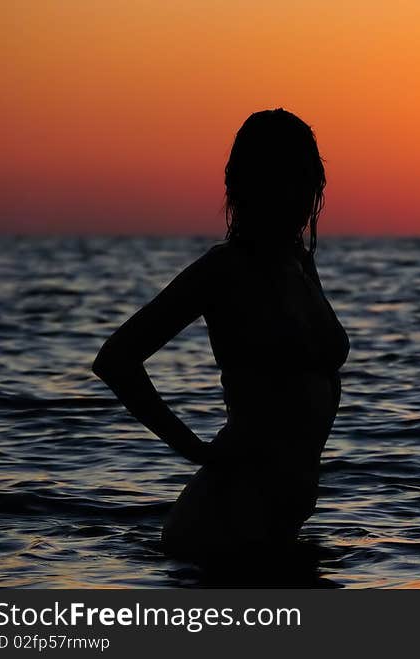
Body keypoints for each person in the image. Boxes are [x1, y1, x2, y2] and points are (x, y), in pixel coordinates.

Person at [92, 109, 349, 562]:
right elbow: (116, 359)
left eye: (308, 181)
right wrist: (196, 450)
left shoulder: (300, 263)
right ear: (251, 187)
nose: (301, 197)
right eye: (285, 180)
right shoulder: (224, 269)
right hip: (224, 529)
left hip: (280, 530)